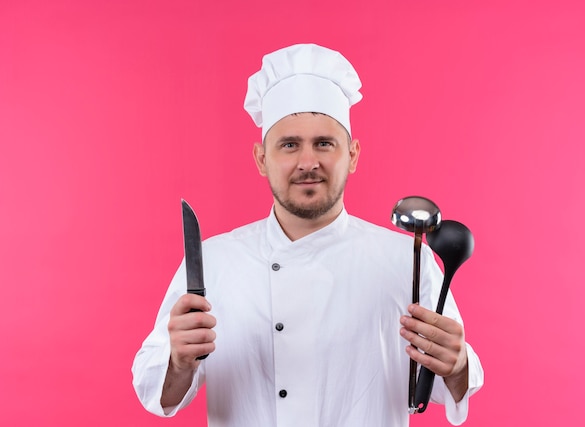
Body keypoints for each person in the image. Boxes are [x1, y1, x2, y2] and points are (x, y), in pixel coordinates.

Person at [132, 43, 484, 427]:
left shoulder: (406, 260)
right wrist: (179, 360)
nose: (307, 162)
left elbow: (455, 380)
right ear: (261, 159)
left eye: (323, 143)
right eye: (289, 145)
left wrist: (457, 362)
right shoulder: (214, 261)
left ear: (352, 154)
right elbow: (156, 389)